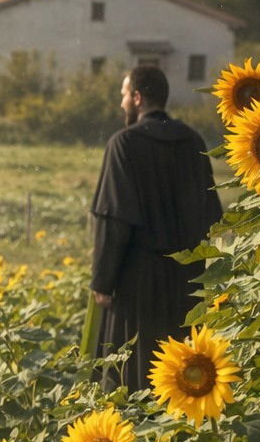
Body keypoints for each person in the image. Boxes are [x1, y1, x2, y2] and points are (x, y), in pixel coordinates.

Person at [90, 64, 222, 392]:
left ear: (137, 97)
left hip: (137, 286)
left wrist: (103, 282)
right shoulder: (193, 142)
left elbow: (114, 221)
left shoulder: (123, 144)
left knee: (132, 379)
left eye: (123, 95)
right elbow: (212, 216)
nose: (121, 104)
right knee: (182, 381)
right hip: (187, 283)